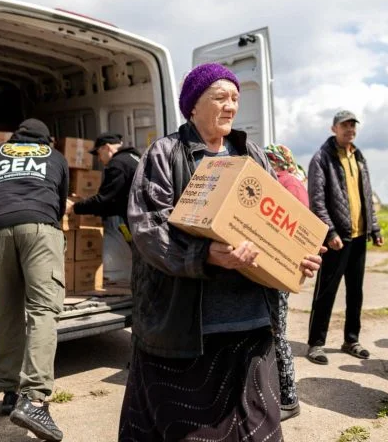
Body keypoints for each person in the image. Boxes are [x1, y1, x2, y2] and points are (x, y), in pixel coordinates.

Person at [118, 63, 323, 441]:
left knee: (256, 427)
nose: (230, 106)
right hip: (186, 329)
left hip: (250, 325)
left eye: (235, 98)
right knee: (188, 428)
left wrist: (299, 256)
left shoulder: (251, 155)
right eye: (220, 97)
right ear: (193, 105)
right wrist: (205, 255)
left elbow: (277, 224)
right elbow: (148, 227)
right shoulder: (166, 153)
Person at [0, 118, 68, 442]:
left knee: (8, 310)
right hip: (40, 229)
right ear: (46, 139)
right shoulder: (54, 157)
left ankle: (11, 393)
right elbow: (59, 200)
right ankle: (35, 399)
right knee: (42, 310)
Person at [306, 109, 382, 364]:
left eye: (352, 126)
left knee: (356, 292)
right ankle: (316, 343)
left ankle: (352, 339)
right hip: (337, 238)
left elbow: (367, 195)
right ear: (334, 129)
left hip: (359, 237)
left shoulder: (359, 156)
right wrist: (329, 232)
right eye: (344, 125)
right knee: (326, 292)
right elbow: (317, 201)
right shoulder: (321, 158)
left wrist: (375, 229)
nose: (350, 130)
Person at [264, 143, 308, 422]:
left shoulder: (287, 182)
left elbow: (293, 226)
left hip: (279, 267)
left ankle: (289, 399)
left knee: (277, 332)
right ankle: (277, 393)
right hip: (276, 266)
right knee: (273, 331)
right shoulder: (288, 180)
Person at [67, 131, 141, 243]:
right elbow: (114, 202)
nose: (99, 159)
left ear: (106, 148)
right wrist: (85, 202)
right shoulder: (133, 158)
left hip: (140, 225)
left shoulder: (117, 164)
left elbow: (104, 200)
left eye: (98, 154)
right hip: (144, 222)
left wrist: (74, 207)